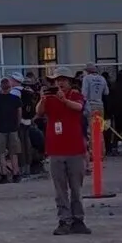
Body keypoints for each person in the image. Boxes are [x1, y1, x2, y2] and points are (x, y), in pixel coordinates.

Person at [38, 75, 90, 234]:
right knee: (60, 189)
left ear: (69, 81)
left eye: (63, 80)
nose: (60, 83)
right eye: (57, 80)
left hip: (74, 149)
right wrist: (42, 99)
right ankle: (64, 220)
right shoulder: (49, 98)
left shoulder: (75, 94)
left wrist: (64, 100)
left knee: (76, 188)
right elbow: (39, 112)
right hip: (56, 149)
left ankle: (78, 219)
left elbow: (79, 107)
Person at [0, 76, 25, 183]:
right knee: (14, 153)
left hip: (0, 129)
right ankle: (16, 174)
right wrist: (16, 125)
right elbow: (19, 114)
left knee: (1, 154)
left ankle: (4, 175)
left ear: (0, 87)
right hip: (13, 129)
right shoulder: (16, 99)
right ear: (10, 87)